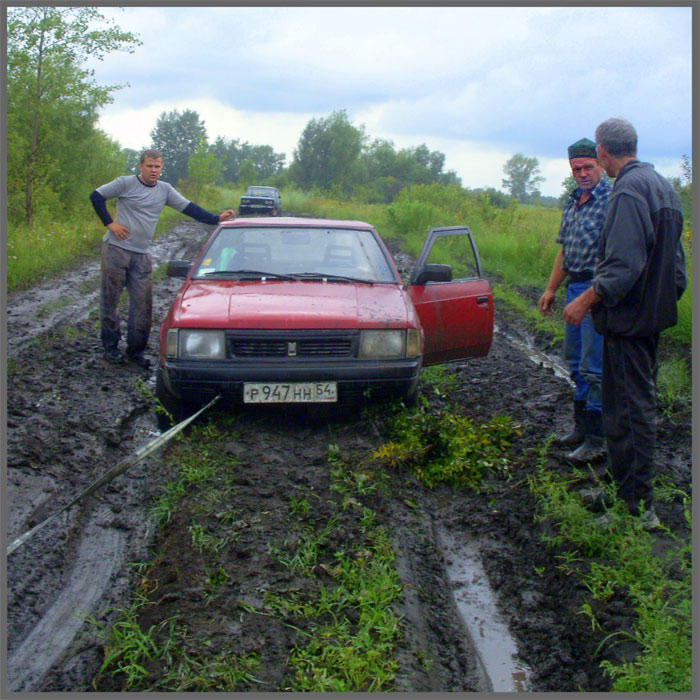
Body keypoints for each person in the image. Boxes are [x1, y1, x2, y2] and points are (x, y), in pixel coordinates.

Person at [563, 118, 687, 528]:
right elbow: (677, 274)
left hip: (628, 323)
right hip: (645, 322)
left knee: (629, 413)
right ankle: (622, 491)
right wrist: (656, 308)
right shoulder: (663, 187)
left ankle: (635, 510)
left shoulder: (627, 191)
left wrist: (584, 300)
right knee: (625, 407)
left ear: (602, 152)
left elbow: (622, 266)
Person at [90, 149, 235, 368]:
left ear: (161, 167)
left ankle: (135, 352)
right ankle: (110, 348)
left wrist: (216, 219)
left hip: (142, 254)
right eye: (149, 166)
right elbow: (96, 196)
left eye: (157, 167)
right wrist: (110, 223)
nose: (154, 170)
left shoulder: (164, 190)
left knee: (142, 304)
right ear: (141, 166)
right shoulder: (125, 183)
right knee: (110, 301)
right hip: (116, 250)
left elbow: (189, 208)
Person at [538, 138, 611, 463]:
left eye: (588, 167)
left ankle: (597, 439)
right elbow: (565, 250)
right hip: (573, 287)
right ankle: (581, 429)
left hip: (597, 293)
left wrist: (593, 295)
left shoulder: (611, 200)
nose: (581, 173)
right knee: (575, 361)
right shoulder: (572, 202)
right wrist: (552, 288)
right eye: (576, 168)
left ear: (599, 164)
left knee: (594, 367)